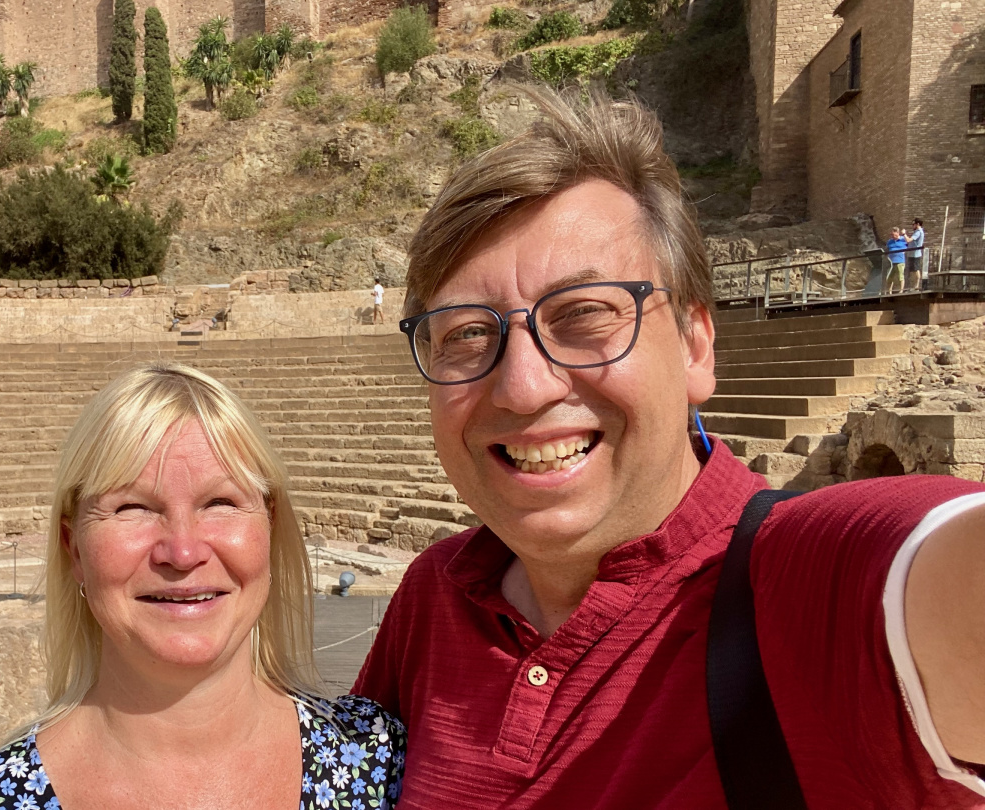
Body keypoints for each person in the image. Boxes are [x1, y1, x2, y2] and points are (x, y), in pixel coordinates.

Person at [352, 87, 985, 809]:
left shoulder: (808, 582)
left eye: (584, 314)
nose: (522, 388)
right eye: (466, 332)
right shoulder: (438, 595)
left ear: (695, 344)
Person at [0, 363, 406, 810]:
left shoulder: (386, 764)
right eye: (132, 508)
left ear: (269, 528)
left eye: (220, 501)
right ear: (74, 549)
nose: (182, 552)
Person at [885, 226, 908, 294]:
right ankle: (889, 291)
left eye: (893, 234)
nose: (892, 236)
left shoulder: (903, 239)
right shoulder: (889, 241)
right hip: (891, 261)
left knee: (900, 275)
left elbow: (909, 244)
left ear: (898, 233)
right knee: (890, 277)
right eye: (891, 235)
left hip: (900, 261)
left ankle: (901, 290)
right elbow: (887, 249)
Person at [907, 217, 927, 290]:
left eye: (914, 224)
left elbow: (909, 240)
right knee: (913, 269)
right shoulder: (917, 232)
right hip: (912, 253)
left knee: (916, 269)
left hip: (915, 254)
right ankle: (913, 285)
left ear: (917, 224)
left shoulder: (918, 232)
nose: (913, 226)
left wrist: (904, 234)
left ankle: (917, 285)